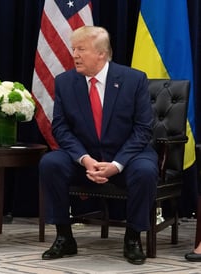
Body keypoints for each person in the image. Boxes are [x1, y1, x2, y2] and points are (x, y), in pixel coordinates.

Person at [39, 26, 158, 265]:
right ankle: (64, 236)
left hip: (128, 156)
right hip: (85, 158)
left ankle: (133, 238)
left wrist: (116, 164)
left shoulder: (134, 80)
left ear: (101, 54)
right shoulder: (65, 82)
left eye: (81, 49)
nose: (74, 55)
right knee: (50, 163)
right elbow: (60, 128)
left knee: (145, 171)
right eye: (73, 49)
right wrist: (85, 159)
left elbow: (143, 129)